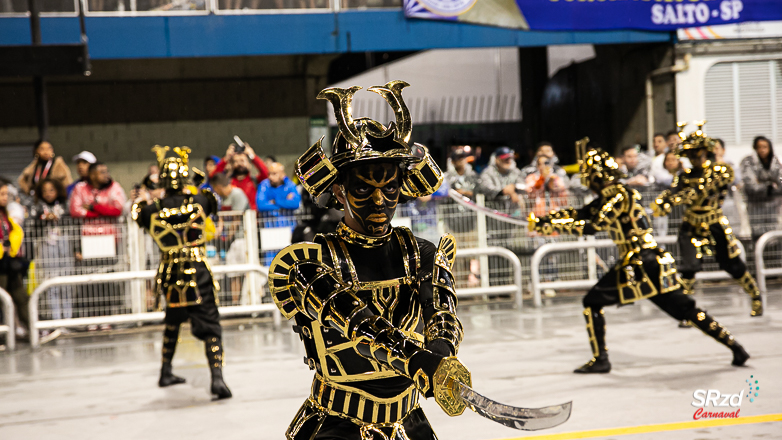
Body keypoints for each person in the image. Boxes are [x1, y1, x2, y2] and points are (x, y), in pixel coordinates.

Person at [271, 81, 470, 438]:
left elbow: (442, 314)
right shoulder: (309, 265)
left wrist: (441, 353)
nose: (379, 201)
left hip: (409, 421)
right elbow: (359, 325)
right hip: (337, 422)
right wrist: (418, 360)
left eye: (389, 187)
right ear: (339, 190)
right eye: (364, 188)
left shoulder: (422, 253)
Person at [529, 138, 750, 373]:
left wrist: (552, 227)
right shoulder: (612, 196)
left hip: (640, 263)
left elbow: (593, 225)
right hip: (649, 262)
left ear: (599, 178)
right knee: (686, 310)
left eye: (592, 180)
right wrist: (546, 220)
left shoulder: (619, 196)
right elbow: (580, 212)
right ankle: (735, 347)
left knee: (593, 302)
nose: (591, 185)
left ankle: (601, 359)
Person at [132, 145, 231, 399]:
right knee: (210, 324)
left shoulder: (151, 209)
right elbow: (213, 202)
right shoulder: (200, 200)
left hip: (170, 270)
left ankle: (165, 370)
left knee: (173, 320)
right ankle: (217, 379)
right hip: (196, 266)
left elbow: (138, 213)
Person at [652, 124, 762, 318]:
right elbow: (673, 193)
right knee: (689, 268)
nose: (694, 158)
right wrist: (664, 202)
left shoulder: (720, 171)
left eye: (698, 154)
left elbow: (722, 182)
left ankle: (755, 295)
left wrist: (695, 192)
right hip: (691, 224)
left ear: (705, 152)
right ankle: (686, 311)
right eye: (691, 155)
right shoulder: (684, 176)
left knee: (731, 264)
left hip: (714, 222)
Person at [29, 178, 75, 321]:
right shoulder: (37, 207)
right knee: (51, 282)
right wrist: (44, 219)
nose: (48, 194)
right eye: (44, 191)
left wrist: (58, 219)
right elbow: (32, 227)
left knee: (66, 282)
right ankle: (55, 319)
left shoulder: (65, 205)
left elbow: (72, 222)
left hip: (64, 243)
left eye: (51, 190)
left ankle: (68, 318)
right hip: (46, 244)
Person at [0, 180, 29, 339]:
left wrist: (10, 247)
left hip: (8, 264)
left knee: (21, 298)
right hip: (1, 264)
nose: (5, 197)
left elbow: (16, 232)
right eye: (2, 194)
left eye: (6, 194)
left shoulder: (5, 214)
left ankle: (33, 330)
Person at [740, 136, 782, 239]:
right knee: (757, 237)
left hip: (773, 209)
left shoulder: (774, 161)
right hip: (755, 208)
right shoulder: (748, 162)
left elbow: (780, 182)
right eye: (759, 147)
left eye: (765, 147)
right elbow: (751, 186)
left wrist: (766, 185)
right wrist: (769, 185)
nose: (762, 150)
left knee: (773, 238)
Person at [209, 143, 269, 210]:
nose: (239, 164)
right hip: (232, 218)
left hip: (251, 218)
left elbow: (267, 174)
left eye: (242, 160)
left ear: (249, 164)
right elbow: (213, 178)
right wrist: (226, 159)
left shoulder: (255, 181)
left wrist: (253, 157)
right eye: (236, 161)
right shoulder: (228, 182)